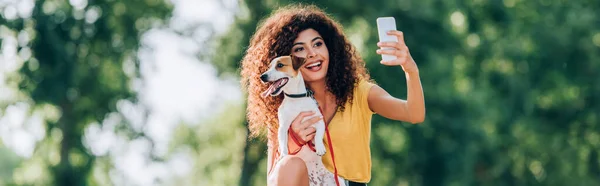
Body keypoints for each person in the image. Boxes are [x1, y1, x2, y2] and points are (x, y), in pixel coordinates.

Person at [240, 4, 425, 186]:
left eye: (318, 44)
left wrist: (411, 70)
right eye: (299, 49)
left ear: (330, 49)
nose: (312, 54)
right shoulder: (283, 107)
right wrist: (292, 142)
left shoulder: (359, 92)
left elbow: (413, 114)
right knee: (290, 164)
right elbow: (273, 179)